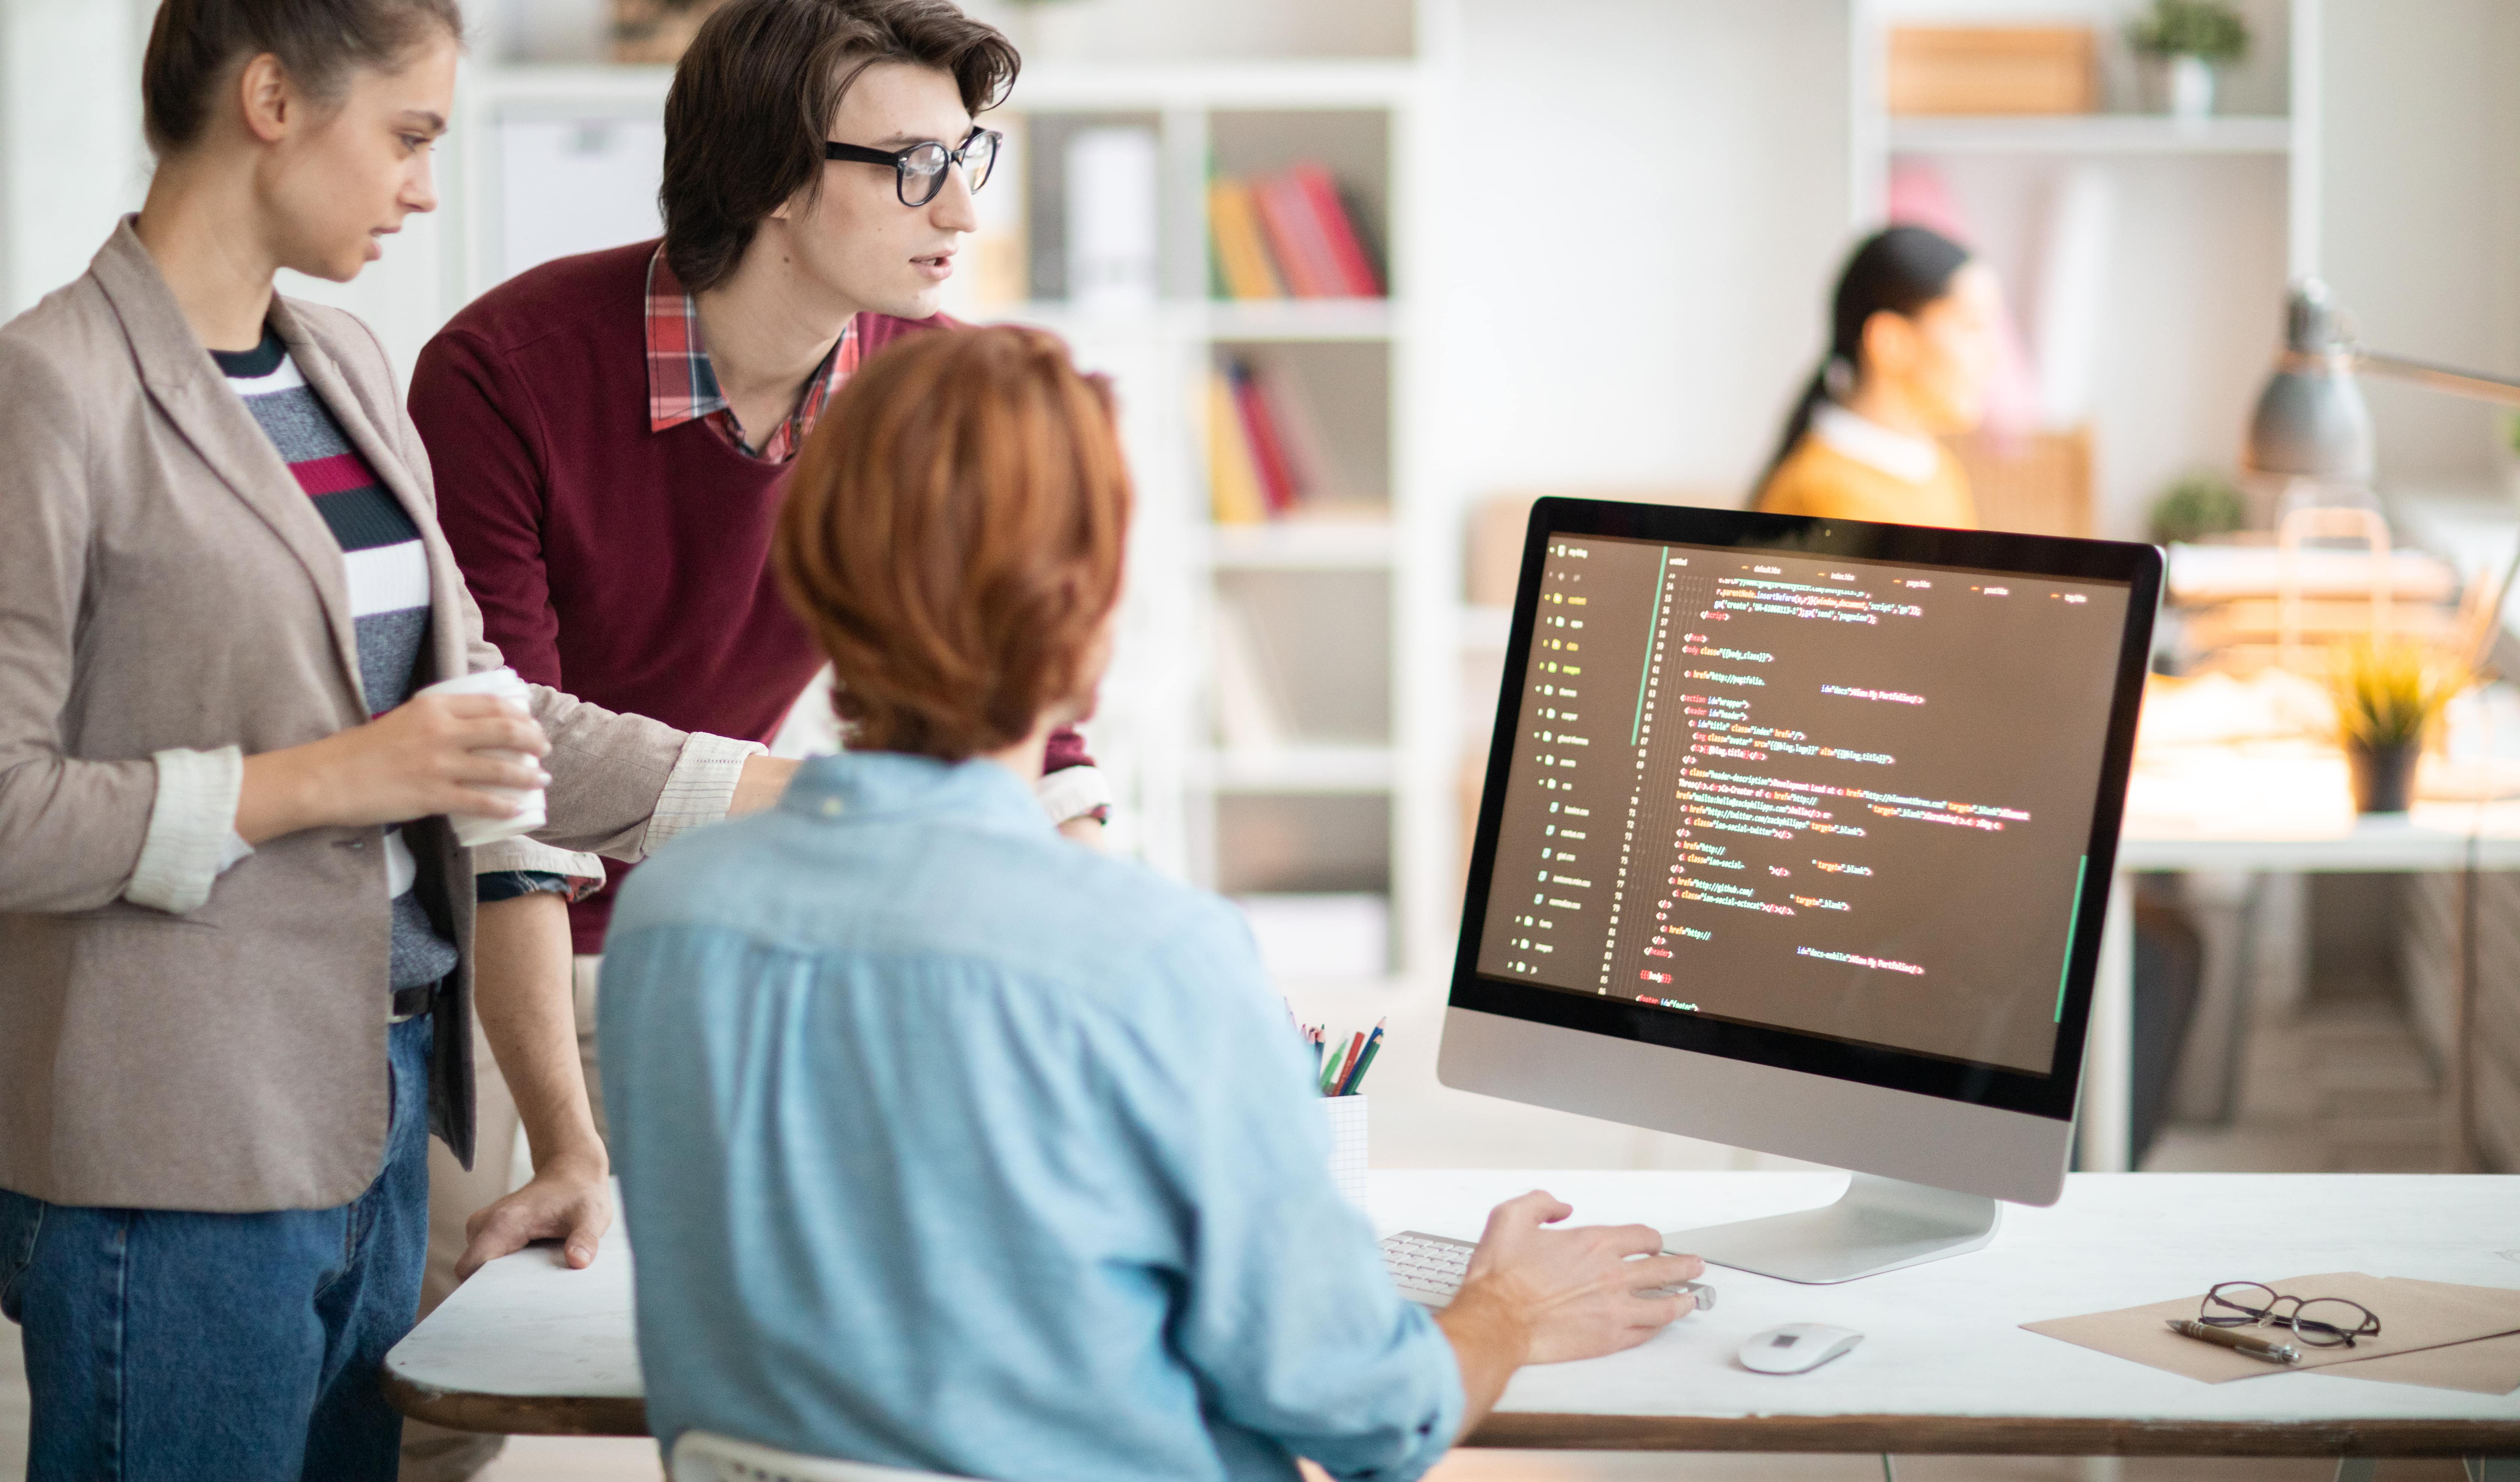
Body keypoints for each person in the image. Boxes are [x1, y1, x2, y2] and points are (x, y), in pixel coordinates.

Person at [0, 0, 792, 1480]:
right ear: (274, 103)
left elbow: (485, 722)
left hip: (384, 1116)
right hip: (170, 1157)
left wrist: (788, 794)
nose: (429, 183)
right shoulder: (47, 391)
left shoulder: (349, 365)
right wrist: (324, 781)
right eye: (409, 133)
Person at [600, 324, 1703, 1481]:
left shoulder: (671, 915)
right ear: (1084, 629)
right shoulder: (1151, 957)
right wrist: (1506, 1309)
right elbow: (1368, 1416)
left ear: (815, 589)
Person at [399, 0, 1110, 1479]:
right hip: (465, 937)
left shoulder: (917, 382)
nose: (961, 210)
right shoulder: (505, 370)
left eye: (964, 160)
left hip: (706, 931)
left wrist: (1113, 918)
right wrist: (565, 1135)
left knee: (781, 1387)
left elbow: (1019, 699)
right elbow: (502, 786)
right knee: (439, 1395)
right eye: (914, 167)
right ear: (782, 183)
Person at [1750, 223, 2001, 528]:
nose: (1993, 355)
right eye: (1972, 327)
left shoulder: (1941, 472)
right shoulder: (1824, 497)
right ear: (1890, 342)